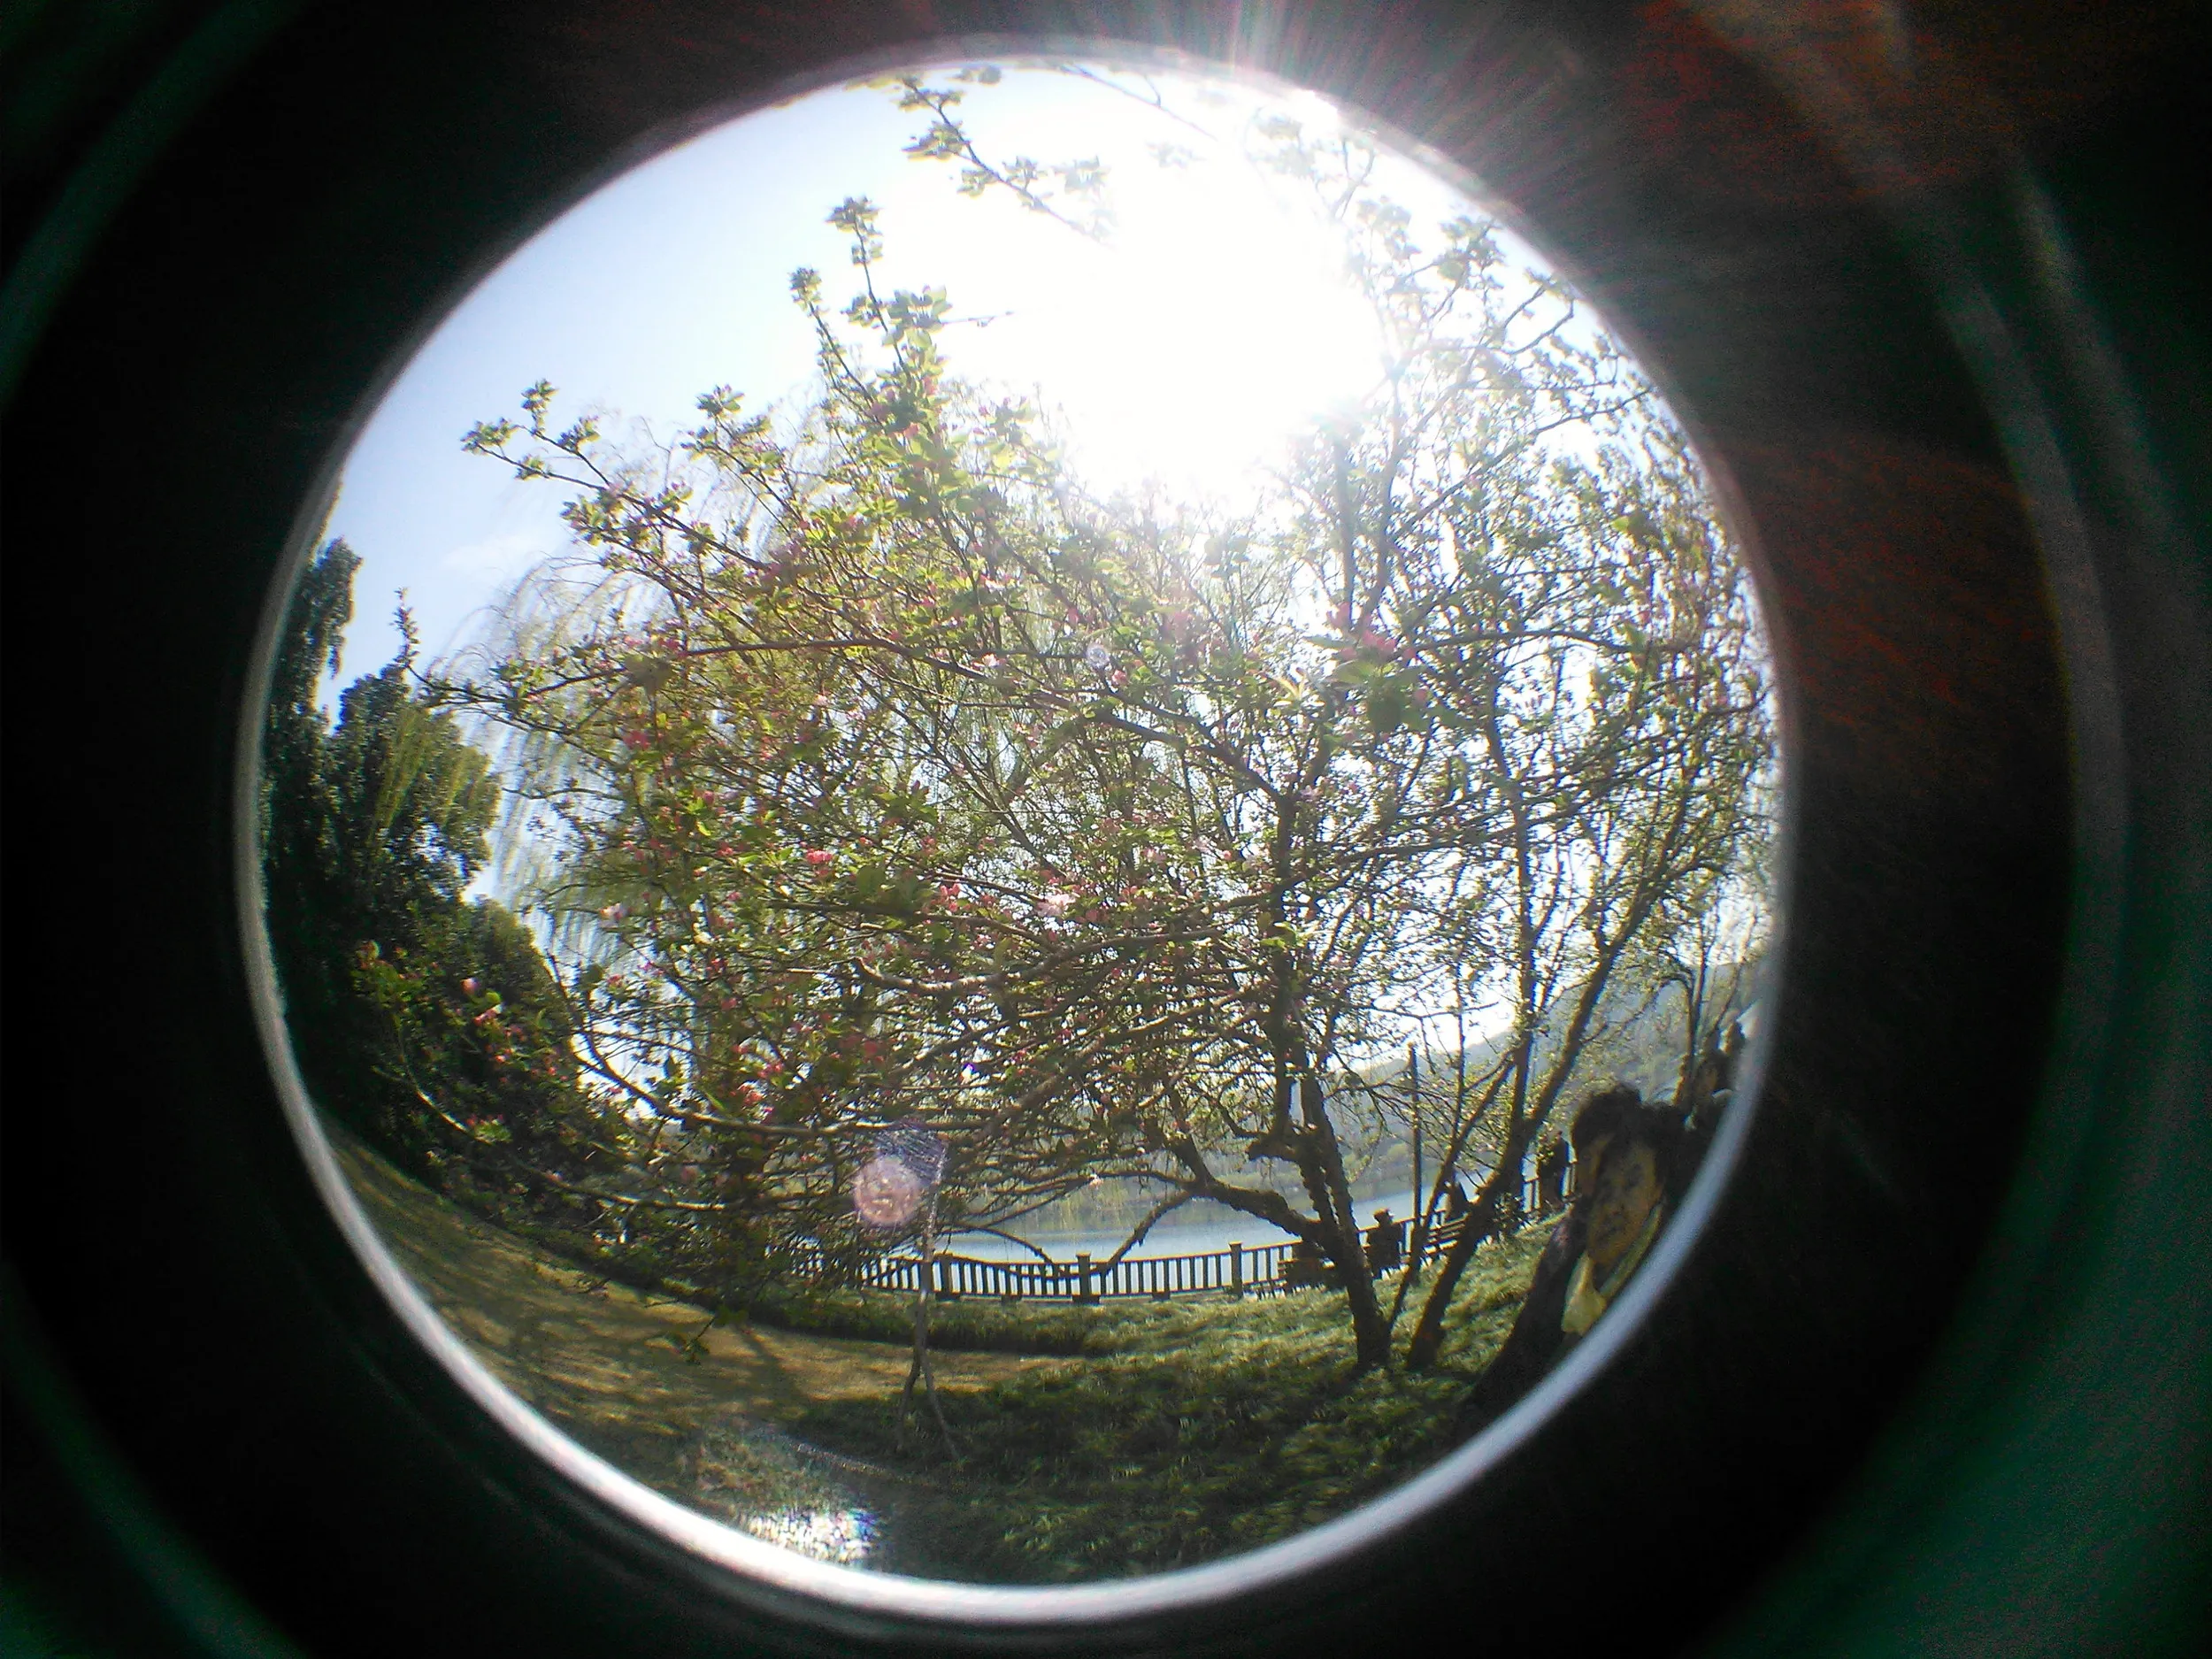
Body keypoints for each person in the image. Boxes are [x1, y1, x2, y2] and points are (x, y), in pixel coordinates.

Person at [1455, 1086, 1682, 1434]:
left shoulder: (1670, 1255)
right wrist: (1477, 1411)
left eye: (1611, 1160)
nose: (1595, 1176)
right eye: (1587, 1160)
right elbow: (1528, 1341)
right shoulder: (1571, 1246)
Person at [1365, 1207, 1403, 1274]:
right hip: (1394, 1257)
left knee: (1371, 1252)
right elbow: (1400, 1238)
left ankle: (1377, 1275)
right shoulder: (1396, 1228)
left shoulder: (1373, 1233)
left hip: (1380, 1260)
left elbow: (1369, 1242)